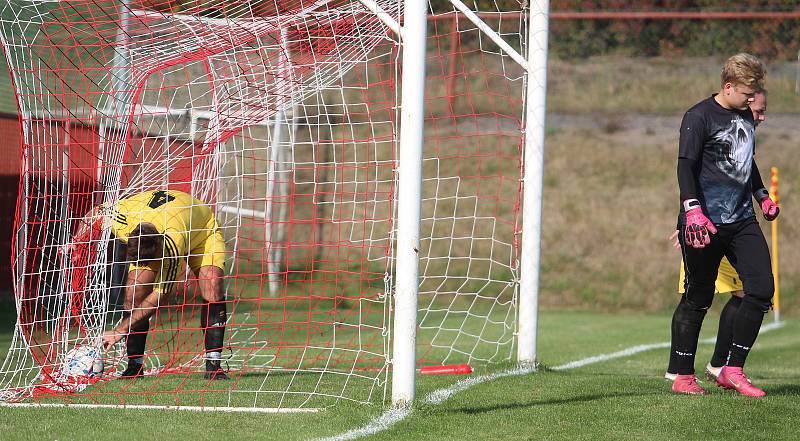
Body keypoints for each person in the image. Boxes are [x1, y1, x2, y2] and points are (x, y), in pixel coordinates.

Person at [669, 53, 778, 397]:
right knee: (698, 297)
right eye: (747, 94)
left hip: (742, 219)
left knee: (760, 289)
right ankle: (682, 375)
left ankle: (731, 369)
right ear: (728, 87)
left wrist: (761, 194)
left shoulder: (744, 115)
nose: (752, 101)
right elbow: (685, 167)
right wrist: (692, 210)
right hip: (703, 222)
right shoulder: (698, 117)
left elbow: (748, 160)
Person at [72, 189, 229, 380]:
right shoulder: (123, 220)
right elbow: (95, 213)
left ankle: (214, 366)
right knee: (133, 292)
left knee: (212, 284)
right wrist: (76, 242)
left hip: (201, 231)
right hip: (165, 219)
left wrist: (120, 330)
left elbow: (159, 296)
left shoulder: (171, 245)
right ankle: (134, 367)